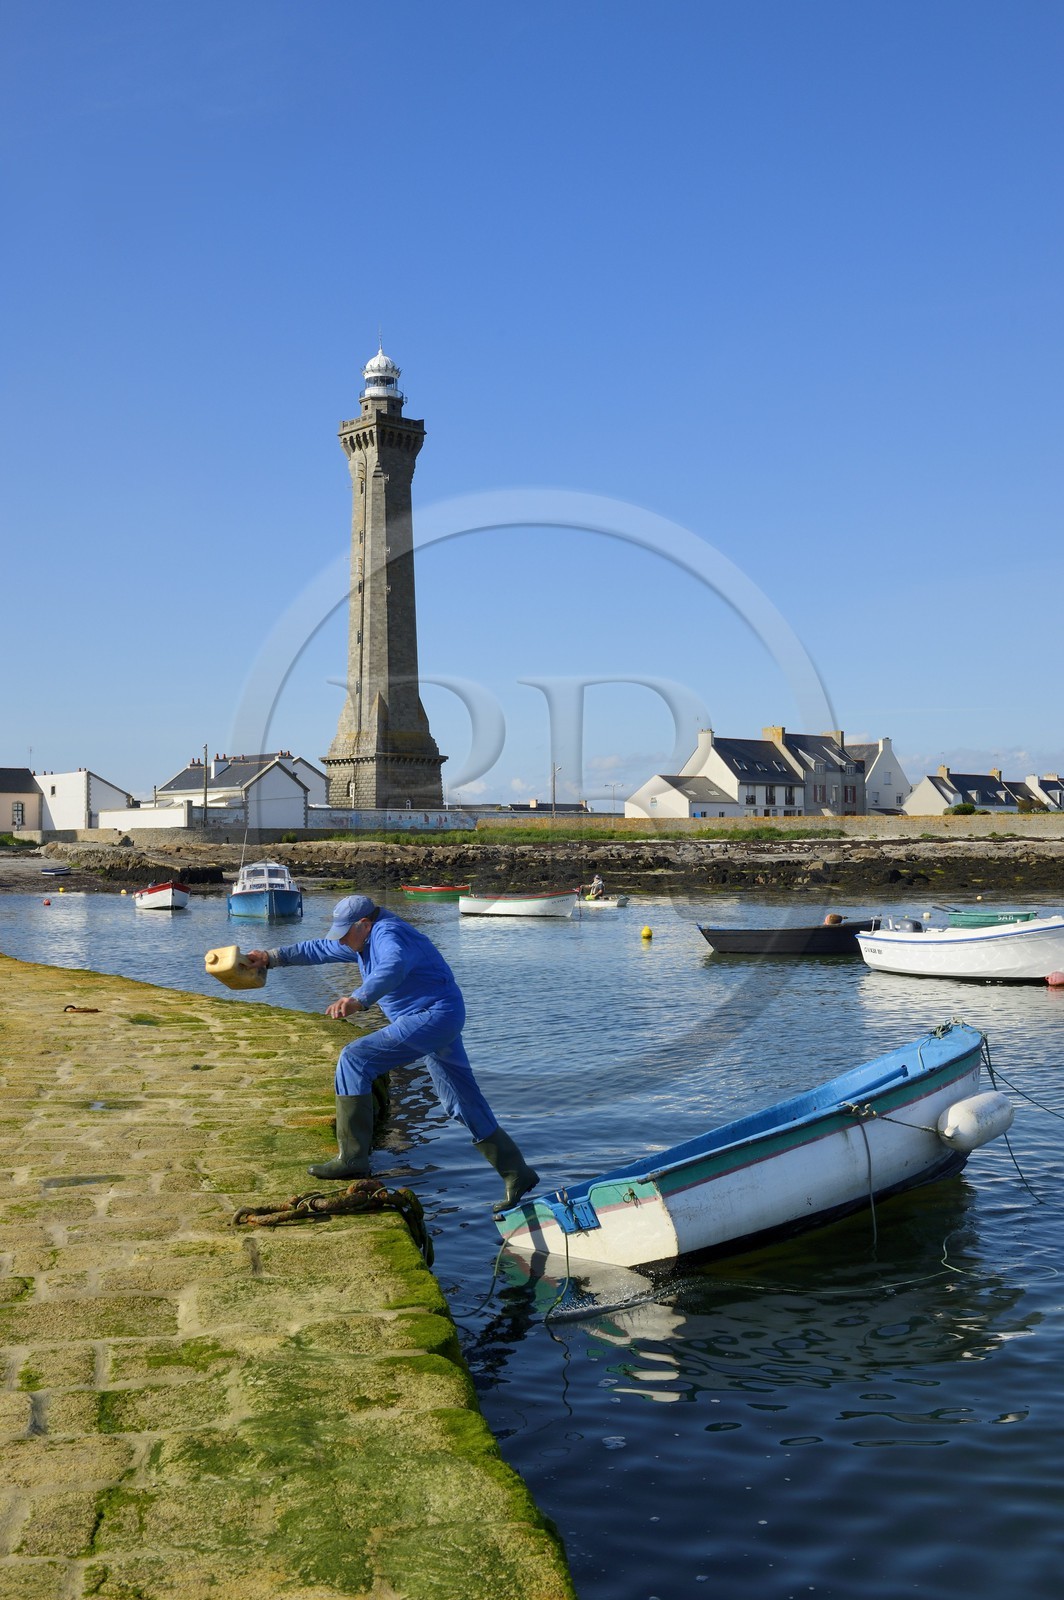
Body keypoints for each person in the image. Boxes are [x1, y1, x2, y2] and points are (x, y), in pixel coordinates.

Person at [246, 894, 538, 1211]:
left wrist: (359, 999)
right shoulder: (362, 938)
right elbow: (319, 949)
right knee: (459, 1103)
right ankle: (517, 1173)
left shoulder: (389, 935)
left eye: (346, 933)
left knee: (355, 1059)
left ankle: (353, 1158)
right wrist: (271, 957)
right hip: (442, 1017)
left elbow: (393, 967)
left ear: (365, 924)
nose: (341, 939)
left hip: (431, 1017)